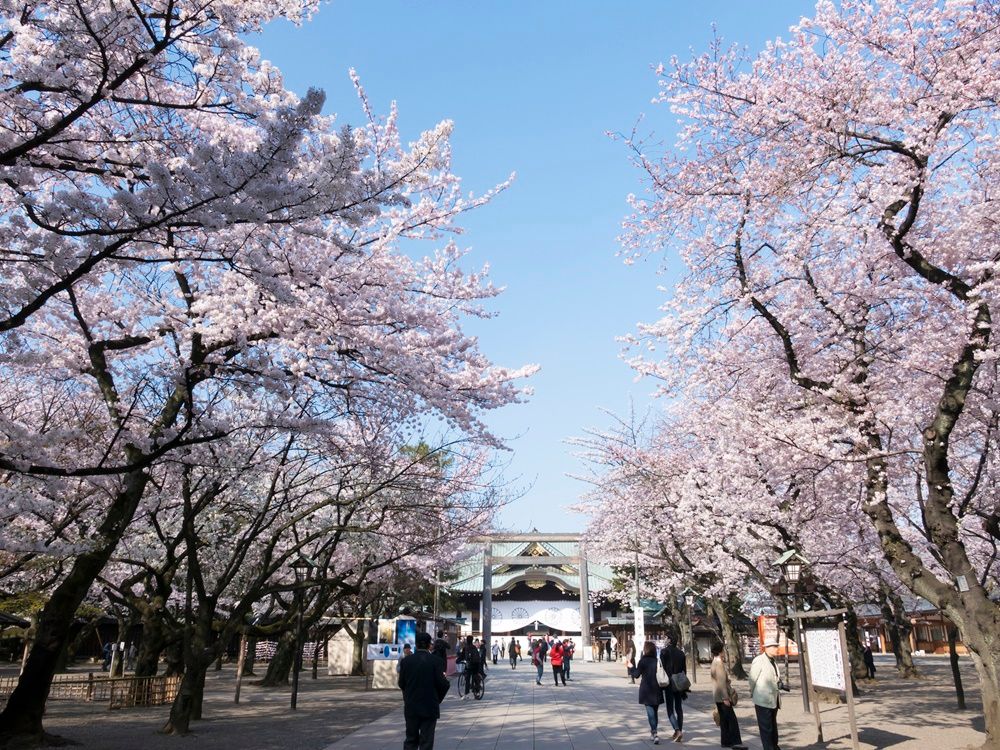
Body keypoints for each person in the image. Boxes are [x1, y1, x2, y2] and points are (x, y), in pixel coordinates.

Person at [398, 631, 450, 750]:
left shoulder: (406, 661)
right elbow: (444, 685)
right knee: (426, 740)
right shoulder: (436, 661)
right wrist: (437, 699)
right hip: (430, 705)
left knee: (411, 739)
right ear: (429, 645)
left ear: (415, 645)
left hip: (411, 705)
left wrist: (408, 696)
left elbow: (401, 683)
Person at [711, 641, 747, 749]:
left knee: (724, 720)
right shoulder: (719, 664)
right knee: (731, 720)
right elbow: (721, 682)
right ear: (721, 651)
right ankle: (734, 741)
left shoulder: (713, 662)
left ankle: (725, 741)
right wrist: (725, 697)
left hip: (717, 695)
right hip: (723, 696)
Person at [749, 638, 782, 750]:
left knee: (773, 727)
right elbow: (752, 679)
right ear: (767, 648)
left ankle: (774, 746)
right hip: (763, 699)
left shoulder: (773, 661)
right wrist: (752, 692)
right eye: (774, 646)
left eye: (776, 646)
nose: (776, 649)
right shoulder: (759, 660)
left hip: (773, 699)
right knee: (766, 729)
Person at [635, 641, 663, 744]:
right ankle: (653, 732)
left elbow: (636, 675)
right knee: (655, 712)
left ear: (645, 649)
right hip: (657, 689)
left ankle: (654, 733)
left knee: (650, 713)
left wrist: (630, 666)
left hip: (646, 690)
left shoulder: (643, 661)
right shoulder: (657, 661)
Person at [660, 636, 687, 742]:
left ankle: (677, 730)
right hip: (679, 681)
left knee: (670, 708)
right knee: (679, 708)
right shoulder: (681, 653)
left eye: (666, 638)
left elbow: (661, 667)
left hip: (669, 682)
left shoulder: (664, 652)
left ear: (670, 640)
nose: (665, 639)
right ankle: (679, 729)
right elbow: (684, 670)